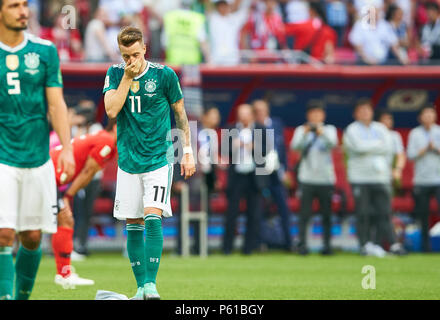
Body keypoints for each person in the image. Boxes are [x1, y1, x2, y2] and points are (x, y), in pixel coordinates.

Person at [103, 26, 196, 300]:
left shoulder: (164, 75)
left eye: (134, 54)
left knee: (152, 217)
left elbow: (180, 113)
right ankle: (141, 286)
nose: (130, 60)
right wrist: (126, 78)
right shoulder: (115, 74)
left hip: (158, 158)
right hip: (129, 160)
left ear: (144, 48)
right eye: (125, 56)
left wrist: (187, 151)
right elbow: (111, 110)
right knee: (133, 224)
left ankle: (152, 286)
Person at [0, 0, 75, 300]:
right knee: (4, 233)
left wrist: (67, 148)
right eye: (14, 5)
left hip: (38, 157)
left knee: (31, 236)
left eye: (24, 4)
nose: (23, 11)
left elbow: (56, 104)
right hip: (3, 157)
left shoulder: (45, 52)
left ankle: (20, 297)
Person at [50, 119, 118, 288]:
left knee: (63, 221)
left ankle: (64, 273)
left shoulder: (103, 137)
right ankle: (64, 274)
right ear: (118, 126)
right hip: (48, 176)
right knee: (63, 220)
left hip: (50, 176)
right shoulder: (107, 141)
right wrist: (68, 196)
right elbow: (88, 171)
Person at [343, 99, 396, 257]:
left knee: (384, 212)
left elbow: (388, 147)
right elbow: (358, 147)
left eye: (368, 110)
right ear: (355, 113)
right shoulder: (351, 130)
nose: (365, 113)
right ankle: (364, 245)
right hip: (359, 178)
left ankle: (380, 244)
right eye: (361, 110)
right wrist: (376, 146)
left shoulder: (380, 128)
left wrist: (368, 147)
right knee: (363, 213)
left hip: (380, 178)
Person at [290, 102, 338, 255]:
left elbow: (333, 144)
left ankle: (327, 246)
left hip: (326, 179)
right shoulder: (301, 130)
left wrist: (321, 133)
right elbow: (294, 147)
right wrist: (305, 133)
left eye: (319, 113)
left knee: (326, 215)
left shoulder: (329, 130)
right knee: (304, 215)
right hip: (306, 178)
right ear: (308, 115)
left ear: (323, 115)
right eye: (313, 113)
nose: (316, 117)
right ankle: (303, 245)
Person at [223, 104, 268, 255]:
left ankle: (248, 248)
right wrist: (235, 146)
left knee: (253, 214)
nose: (243, 117)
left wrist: (254, 146)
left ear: (252, 115)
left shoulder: (261, 129)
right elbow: (223, 151)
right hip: (236, 177)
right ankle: (227, 248)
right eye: (240, 114)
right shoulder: (230, 129)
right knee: (232, 213)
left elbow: (267, 151)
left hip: (254, 177)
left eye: (246, 114)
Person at [253, 99, 292, 251]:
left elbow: (282, 148)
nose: (260, 113)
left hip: (277, 172)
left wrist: (286, 169)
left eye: (262, 110)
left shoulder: (276, 124)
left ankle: (288, 243)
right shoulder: (253, 127)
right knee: (261, 209)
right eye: (256, 111)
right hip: (261, 172)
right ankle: (262, 243)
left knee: (284, 208)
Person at [407, 105, 440, 252]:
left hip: (438, 179)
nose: (428, 117)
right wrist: (424, 149)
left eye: (431, 114)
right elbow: (410, 155)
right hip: (421, 180)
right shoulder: (415, 133)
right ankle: (425, 247)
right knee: (423, 214)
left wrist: (435, 148)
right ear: (420, 117)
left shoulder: (439, 131)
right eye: (425, 114)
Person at [376, 109, 407, 255]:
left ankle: (391, 243)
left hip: (386, 179)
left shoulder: (394, 136)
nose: (387, 123)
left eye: (389, 120)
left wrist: (397, 170)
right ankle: (374, 244)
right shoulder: (372, 134)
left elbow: (400, 154)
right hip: (368, 179)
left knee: (385, 211)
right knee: (371, 212)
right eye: (384, 120)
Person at [162, 0, 211, 66]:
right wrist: (209, 61)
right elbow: (203, 42)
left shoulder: (169, 17)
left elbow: (164, 43)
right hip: (192, 64)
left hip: (173, 62)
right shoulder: (197, 18)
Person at [208, 0, 250, 65]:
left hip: (232, 60)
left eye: (224, 4)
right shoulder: (212, 18)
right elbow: (207, 4)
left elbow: (245, 7)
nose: (222, 7)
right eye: (220, 5)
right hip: (216, 60)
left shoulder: (235, 19)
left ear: (228, 5)